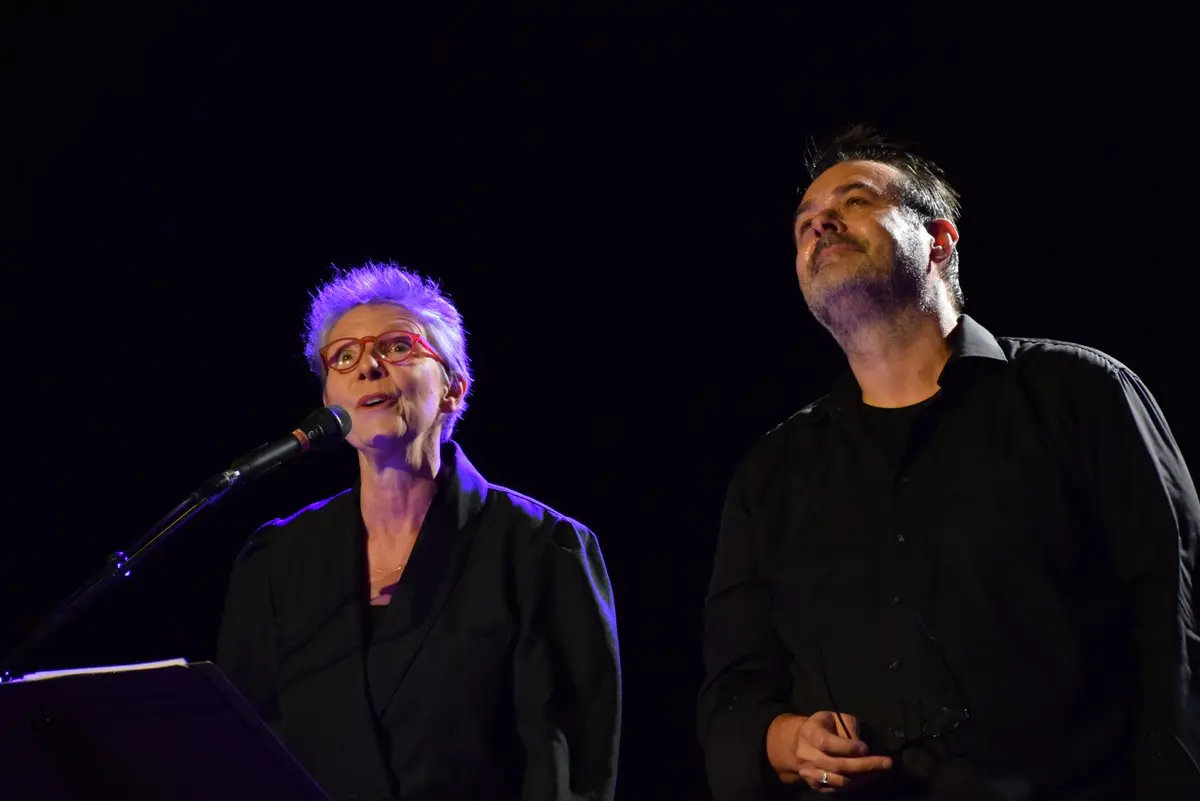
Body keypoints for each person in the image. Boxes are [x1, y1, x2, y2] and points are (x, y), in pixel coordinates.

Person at [696, 125, 1200, 800]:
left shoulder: (1080, 394)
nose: (821, 225)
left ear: (938, 241)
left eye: (852, 202)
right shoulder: (773, 473)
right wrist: (782, 738)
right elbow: (734, 687)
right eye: (804, 224)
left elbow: (1175, 623)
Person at [216, 262, 621, 801]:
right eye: (344, 356)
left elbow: (571, 769)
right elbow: (242, 759)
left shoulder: (541, 549)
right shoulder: (275, 560)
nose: (368, 368)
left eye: (397, 347)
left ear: (454, 388)